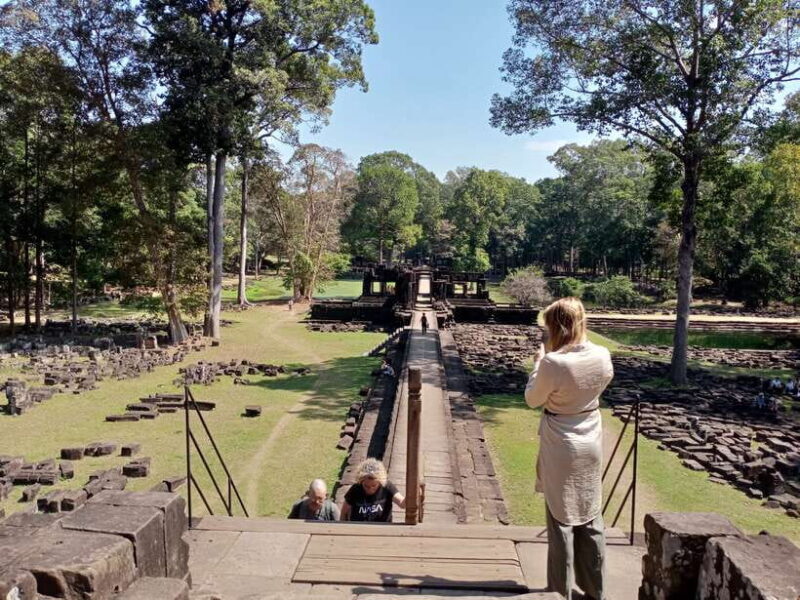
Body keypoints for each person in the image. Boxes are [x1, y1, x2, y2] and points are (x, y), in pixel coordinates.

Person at [524, 297, 614, 600]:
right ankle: (594, 590)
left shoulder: (553, 362)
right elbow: (602, 381)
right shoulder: (602, 354)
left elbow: (532, 399)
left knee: (560, 517)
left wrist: (538, 365)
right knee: (590, 513)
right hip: (590, 435)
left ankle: (558, 592)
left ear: (556, 327)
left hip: (561, 441)